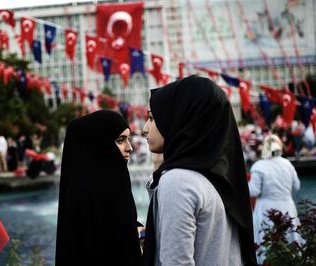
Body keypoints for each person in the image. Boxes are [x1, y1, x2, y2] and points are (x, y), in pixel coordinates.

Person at [142, 75, 257, 266]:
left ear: (180, 121)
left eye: (152, 118)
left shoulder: (178, 181)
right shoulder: (216, 179)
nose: (146, 129)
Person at [55, 110, 143, 266]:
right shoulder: (88, 197)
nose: (129, 147)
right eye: (120, 140)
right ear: (98, 144)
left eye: (127, 139)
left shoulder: (113, 184)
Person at [249, 134, 300, 264]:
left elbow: (254, 191)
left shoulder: (259, 166)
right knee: (290, 239)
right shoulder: (287, 164)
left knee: (266, 242)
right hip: (288, 206)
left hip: (266, 209)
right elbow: (297, 186)